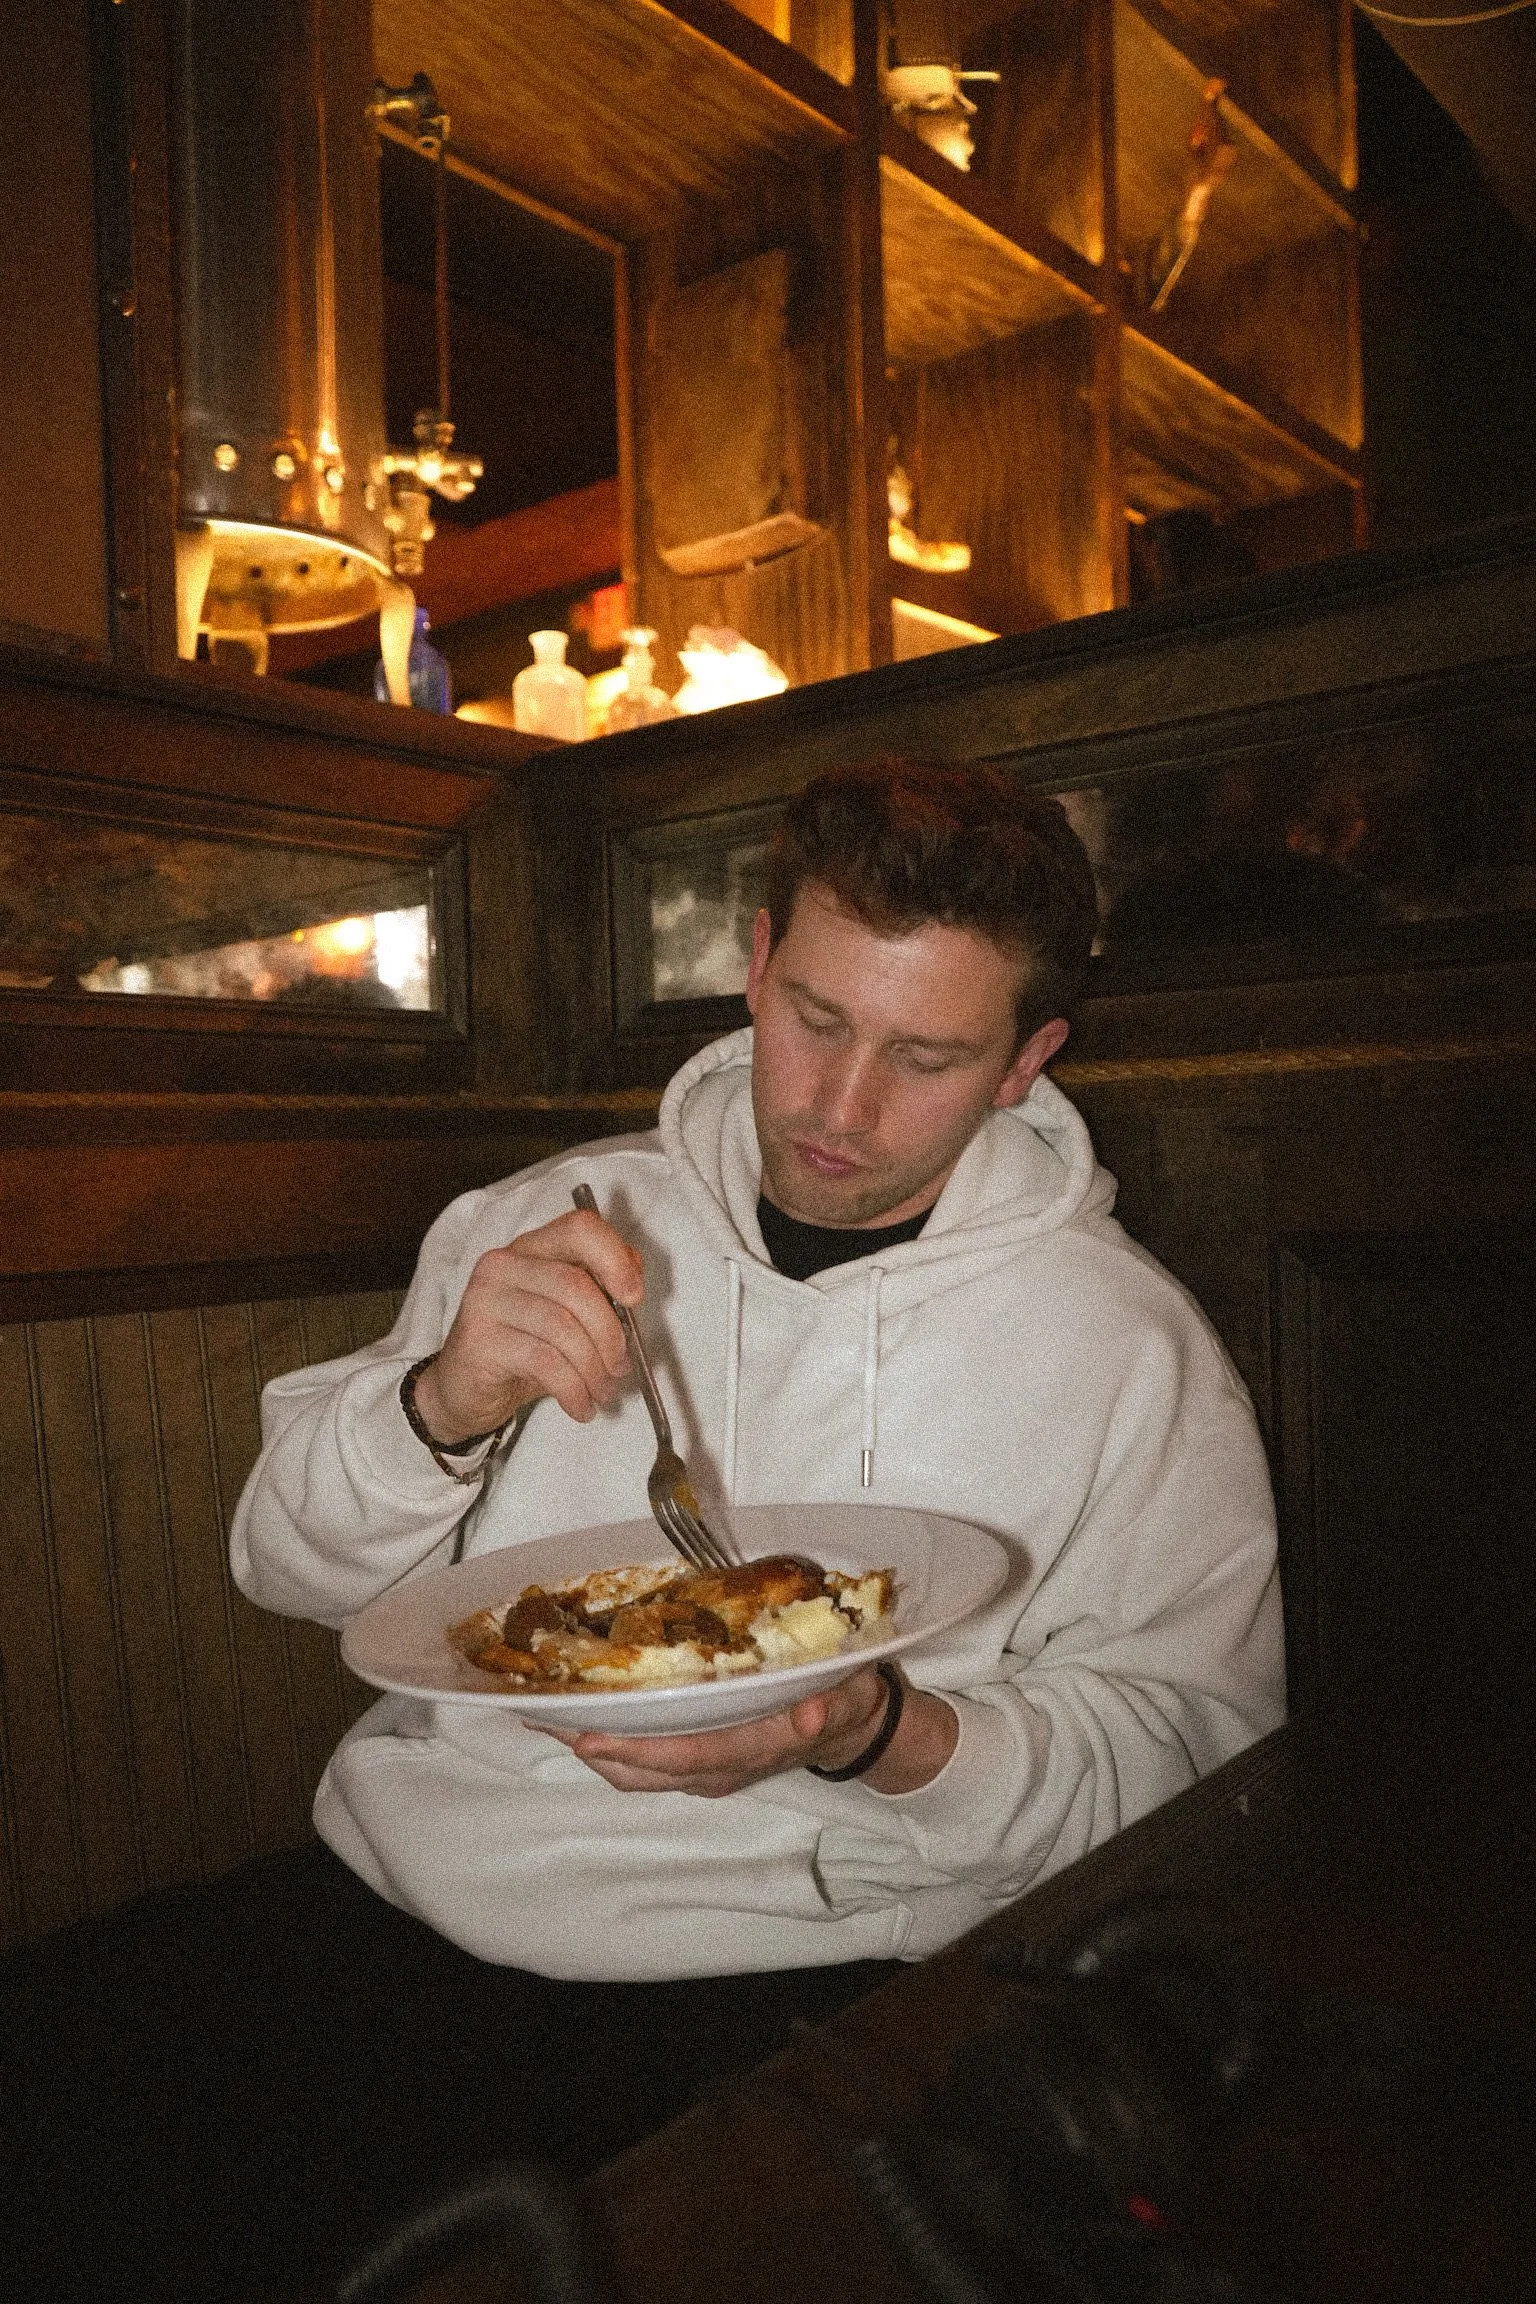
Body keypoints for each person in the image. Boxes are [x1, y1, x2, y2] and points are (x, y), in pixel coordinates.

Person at [1, 760, 1283, 2301]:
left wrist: (884, 1736)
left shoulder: (1129, 1348)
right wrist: (441, 1406)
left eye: (927, 1056)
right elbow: (283, 1566)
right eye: (813, 1019)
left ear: (1028, 1061)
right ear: (753, 965)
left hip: (816, 1971)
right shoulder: (549, 1222)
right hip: (411, 1895)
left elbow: (1208, 1764)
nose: (841, 1107)